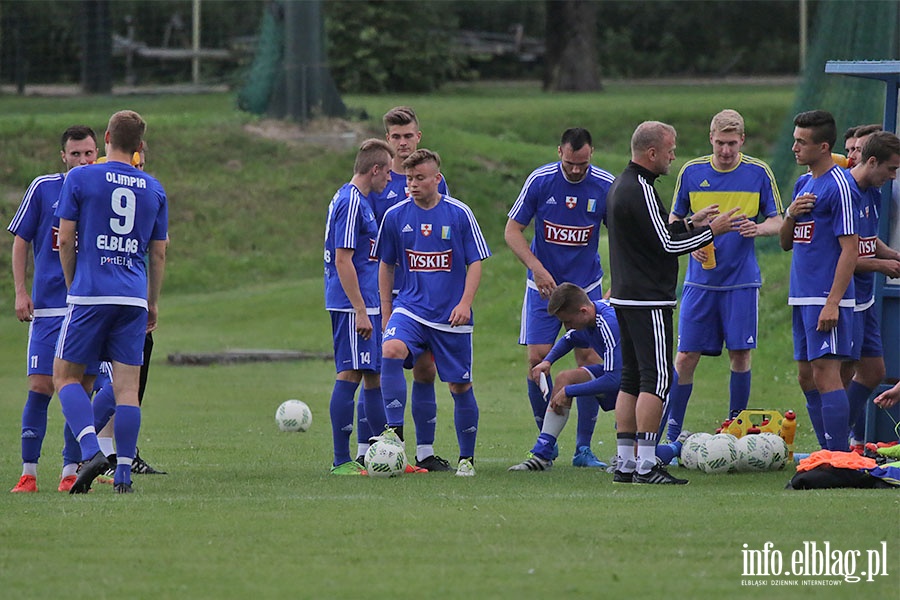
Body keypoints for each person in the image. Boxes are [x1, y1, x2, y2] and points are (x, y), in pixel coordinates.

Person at [606, 120, 738, 485]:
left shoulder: (621, 184)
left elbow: (654, 235)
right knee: (658, 379)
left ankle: (625, 462)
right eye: (670, 149)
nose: (672, 156)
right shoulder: (642, 188)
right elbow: (666, 246)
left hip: (626, 296)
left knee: (631, 379)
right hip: (647, 300)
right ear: (652, 153)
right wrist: (712, 231)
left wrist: (692, 223)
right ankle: (647, 465)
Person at [53, 110, 168, 494]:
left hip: (91, 292)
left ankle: (90, 450)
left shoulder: (81, 177)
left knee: (66, 377)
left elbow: (66, 240)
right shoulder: (153, 188)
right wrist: (151, 301)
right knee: (126, 389)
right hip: (133, 297)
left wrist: (74, 284)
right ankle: (122, 475)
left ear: (105, 137)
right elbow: (159, 253)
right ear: (139, 147)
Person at [664, 110, 783, 442]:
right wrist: (691, 246)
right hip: (700, 282)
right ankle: (672, 432)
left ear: (742, 141)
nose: (726, 150)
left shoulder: (759, 172)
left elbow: (779, 220)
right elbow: (674, 221)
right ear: (710, 139)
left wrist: (758, 228)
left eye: (732, 143)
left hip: (741, 281)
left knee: (740, 354)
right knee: (686, 355)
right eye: (720, 143)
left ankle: (735, 430)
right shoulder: (691, 172)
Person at [375, 149, 491, 477]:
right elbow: (385, 265)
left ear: (437, 179)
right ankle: (394, 434)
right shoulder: (396, 216)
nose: (413, 184)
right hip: (409, 308)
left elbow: (476, 262)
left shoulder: (459, 214)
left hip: (450, 316)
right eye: (409, 178)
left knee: (457, 386)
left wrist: (465, 303)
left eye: (420, 178)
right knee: (391, 349)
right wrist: (387, 312)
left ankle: (465, 458)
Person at [505, 127, 615, 468]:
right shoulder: (540, 181)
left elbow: (624, 239)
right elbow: (512, 230)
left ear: (591, 154)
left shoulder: (606, 185)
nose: (576, 170)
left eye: (582, 163)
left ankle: (583, 449)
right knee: (537, 359)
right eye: (570, 163)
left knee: (588, 361)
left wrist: (615, 288)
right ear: (559, 153)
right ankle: (546, 445)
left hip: (587, 287)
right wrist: (537, 269)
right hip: (544, 289)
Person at [7, 126, 100, 493]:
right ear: (63, 156)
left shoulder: (104, 190)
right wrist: (20, 291)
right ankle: (28, 473)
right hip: (47, 309)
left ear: (98, 153)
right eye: (75, 154)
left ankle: (70, 472)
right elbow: (21, 240)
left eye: (88, 153)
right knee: (41, 387)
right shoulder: (44, 187)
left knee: (83, 389)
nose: (82, 160)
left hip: (87, 308)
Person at [364, 106, 449, 472]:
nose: (402, 143)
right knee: (380, 366)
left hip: (424, 296)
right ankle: (373, 448)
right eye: (395, 137)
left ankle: (425, 452)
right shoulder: (376, 183)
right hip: (385, 294)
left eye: (408, 135)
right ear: (387, 140)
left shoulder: (433, 181)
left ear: (419, 136)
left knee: (426, 370)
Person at [779, 109, 858, 453]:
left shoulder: (840, 185)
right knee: (806, 376)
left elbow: (851, 249)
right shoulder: (803, 184)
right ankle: (826, 449)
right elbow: (785, 243)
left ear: (823, 146)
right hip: (801, 295)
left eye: (801, 142)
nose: (794, 147)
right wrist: (790, 214)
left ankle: (838, 455)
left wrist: (833, 302)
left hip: (826, 297)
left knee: (827, 374)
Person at [92, 142, 167, 477]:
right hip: (119, 296)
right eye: (141, 157)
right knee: (115, 381)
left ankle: (115, 453)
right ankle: (93, 452)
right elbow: (157, 251)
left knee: (124, 380)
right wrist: (152, 301)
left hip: (112, 294)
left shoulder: (131, 185)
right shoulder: (121, 181)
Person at [323, 138, 394, 475]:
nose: (390, 180)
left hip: (362, 302)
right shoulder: (352, 202)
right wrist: (361, 310)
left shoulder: (357, 199)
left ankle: (385, 453)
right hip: (354, 305)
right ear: (375, 169)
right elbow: (342, 259)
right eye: (388, 173)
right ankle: (340, 460)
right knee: (350, 373)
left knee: (373, 376)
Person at [508, 283, 620, 471]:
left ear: (583, 311)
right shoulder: (590, 317)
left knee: (653, 455)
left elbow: (614, 379)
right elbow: (570, 338)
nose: (566, 327)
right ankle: (542, 455)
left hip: (649, 385)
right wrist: (548, 361)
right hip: (626, 378)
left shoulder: (609, 324)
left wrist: (569, 392)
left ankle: (674, 447)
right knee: (565, 378)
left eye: (568, 321)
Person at [842, 131, 900, 449]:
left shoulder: (873, 191)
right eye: (891, 169)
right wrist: (882, 266)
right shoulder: (845, 192)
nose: (893, 176)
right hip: (844, 297)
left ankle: (846, 434)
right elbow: (843, 257)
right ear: (873, 161)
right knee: (840, 372)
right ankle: (836, 439)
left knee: (874, 370)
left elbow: (866, 240)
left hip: (865, 297)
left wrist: (890, 254)